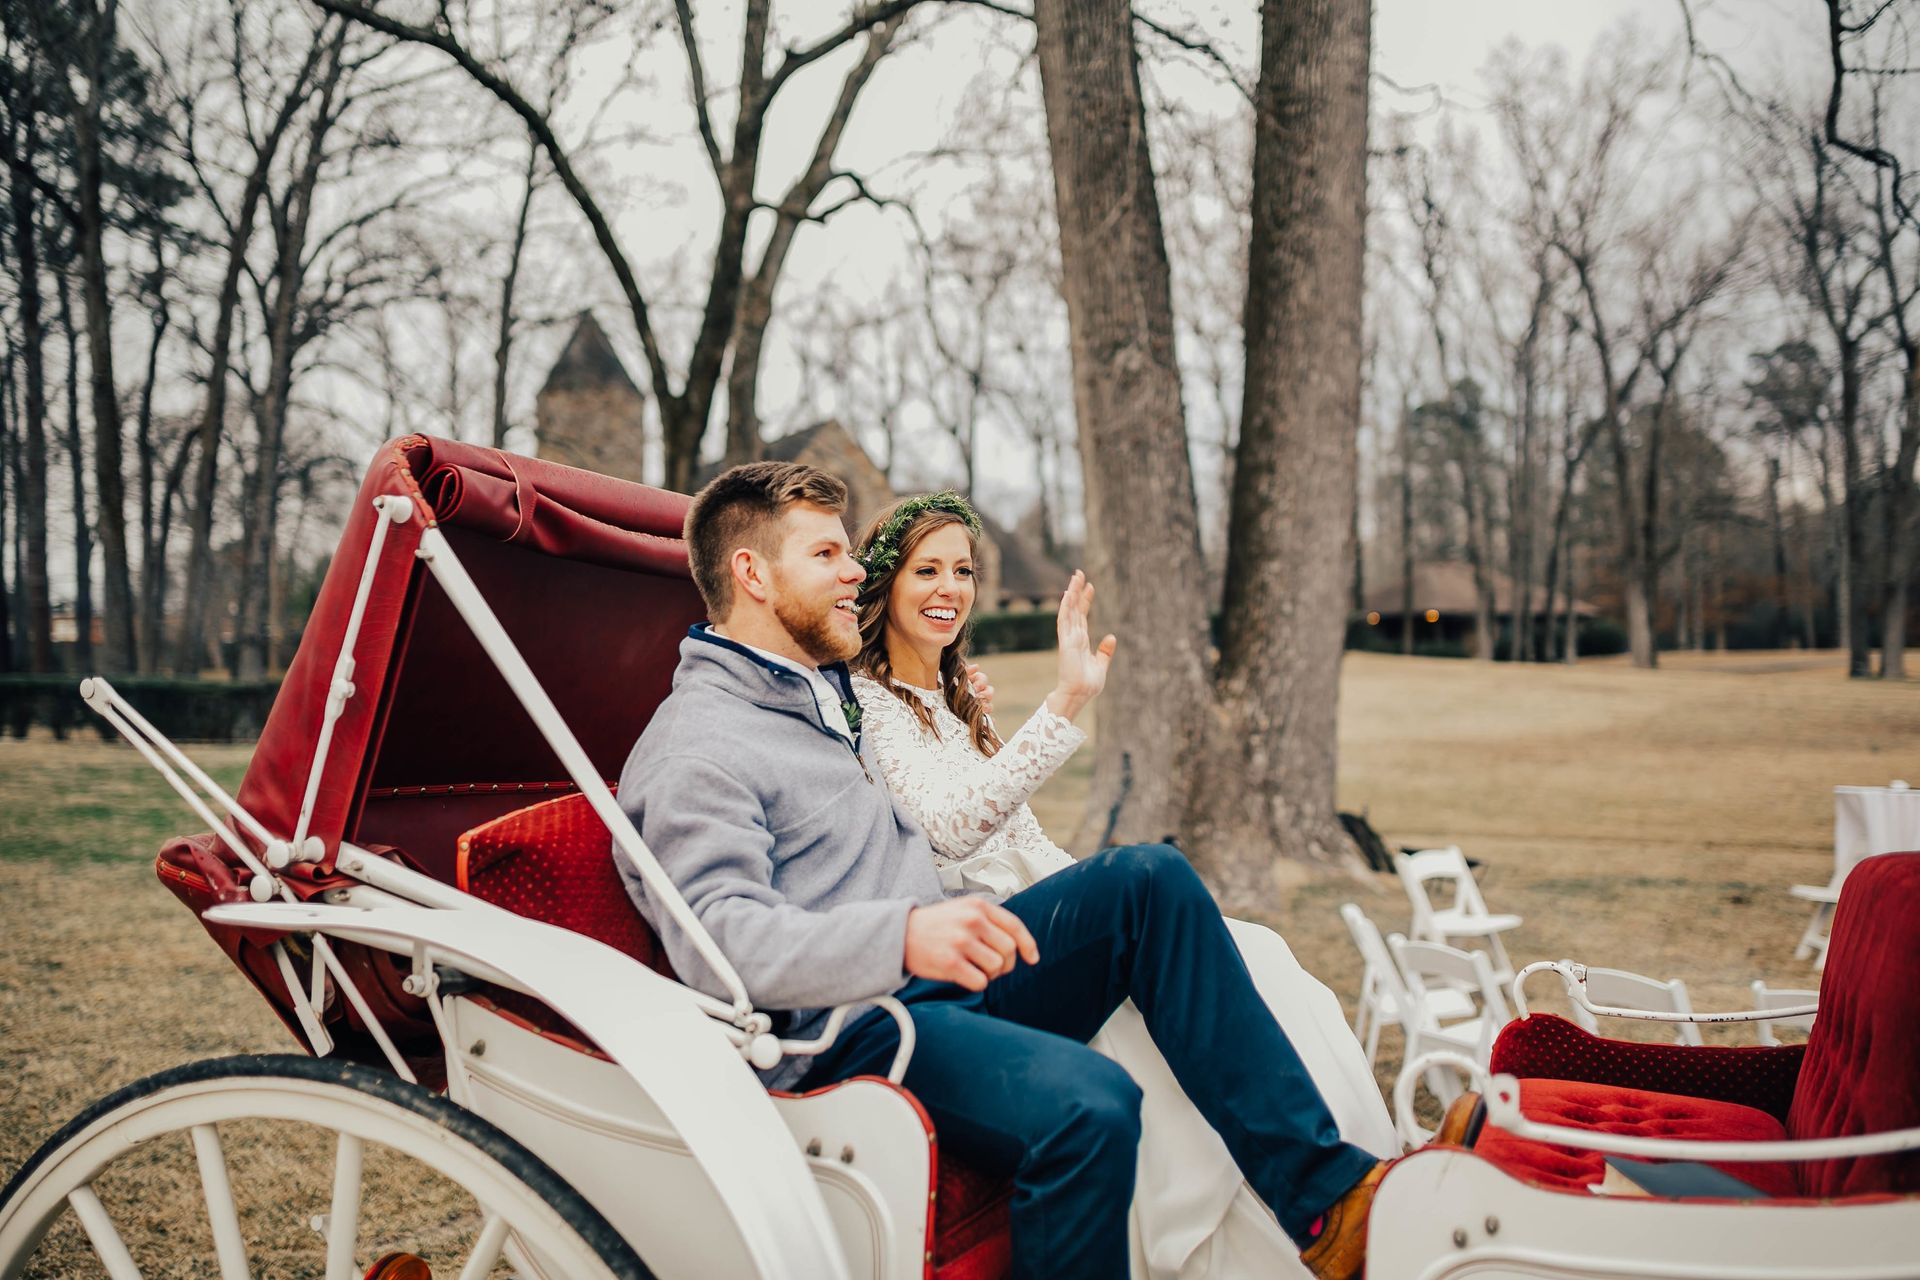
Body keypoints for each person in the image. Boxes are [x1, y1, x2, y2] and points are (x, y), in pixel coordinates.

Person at [615, 462, 1386, 1280]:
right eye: (829, 555)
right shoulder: (697, 746)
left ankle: (1324, 1200)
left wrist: (956, 691)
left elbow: (908, 720)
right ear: (751, 574)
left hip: (947, 981)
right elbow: (720, 942)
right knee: (1090, 1104)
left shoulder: (810, 688)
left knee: (1148, 878)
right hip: (854, 1029)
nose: (855, 572)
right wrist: (904, 932)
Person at [846, 491, 1396, 1280]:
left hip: (1040, 923)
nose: (948, 588)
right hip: (977, 946)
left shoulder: (962, 702)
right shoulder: (868, 706)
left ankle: (1359, 1186)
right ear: (887, 585)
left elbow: (1032, 843)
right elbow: (949, 831)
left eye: (962, 570)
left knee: (1259, 949)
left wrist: (1117, 925)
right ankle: (1316, 1204)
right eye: (925, 569)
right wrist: (1065, 704)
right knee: (1152, 871)